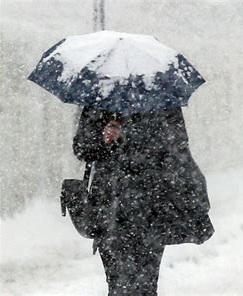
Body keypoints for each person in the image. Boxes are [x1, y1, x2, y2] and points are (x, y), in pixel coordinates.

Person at [73, 106, 214, 296]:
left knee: (145, 286)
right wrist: (103, 139)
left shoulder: (164, 103)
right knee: (118, 285)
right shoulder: (100, 102)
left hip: (151, 210)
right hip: (109, 210)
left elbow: (177, 147)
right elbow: (81, 148)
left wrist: (133, 138)